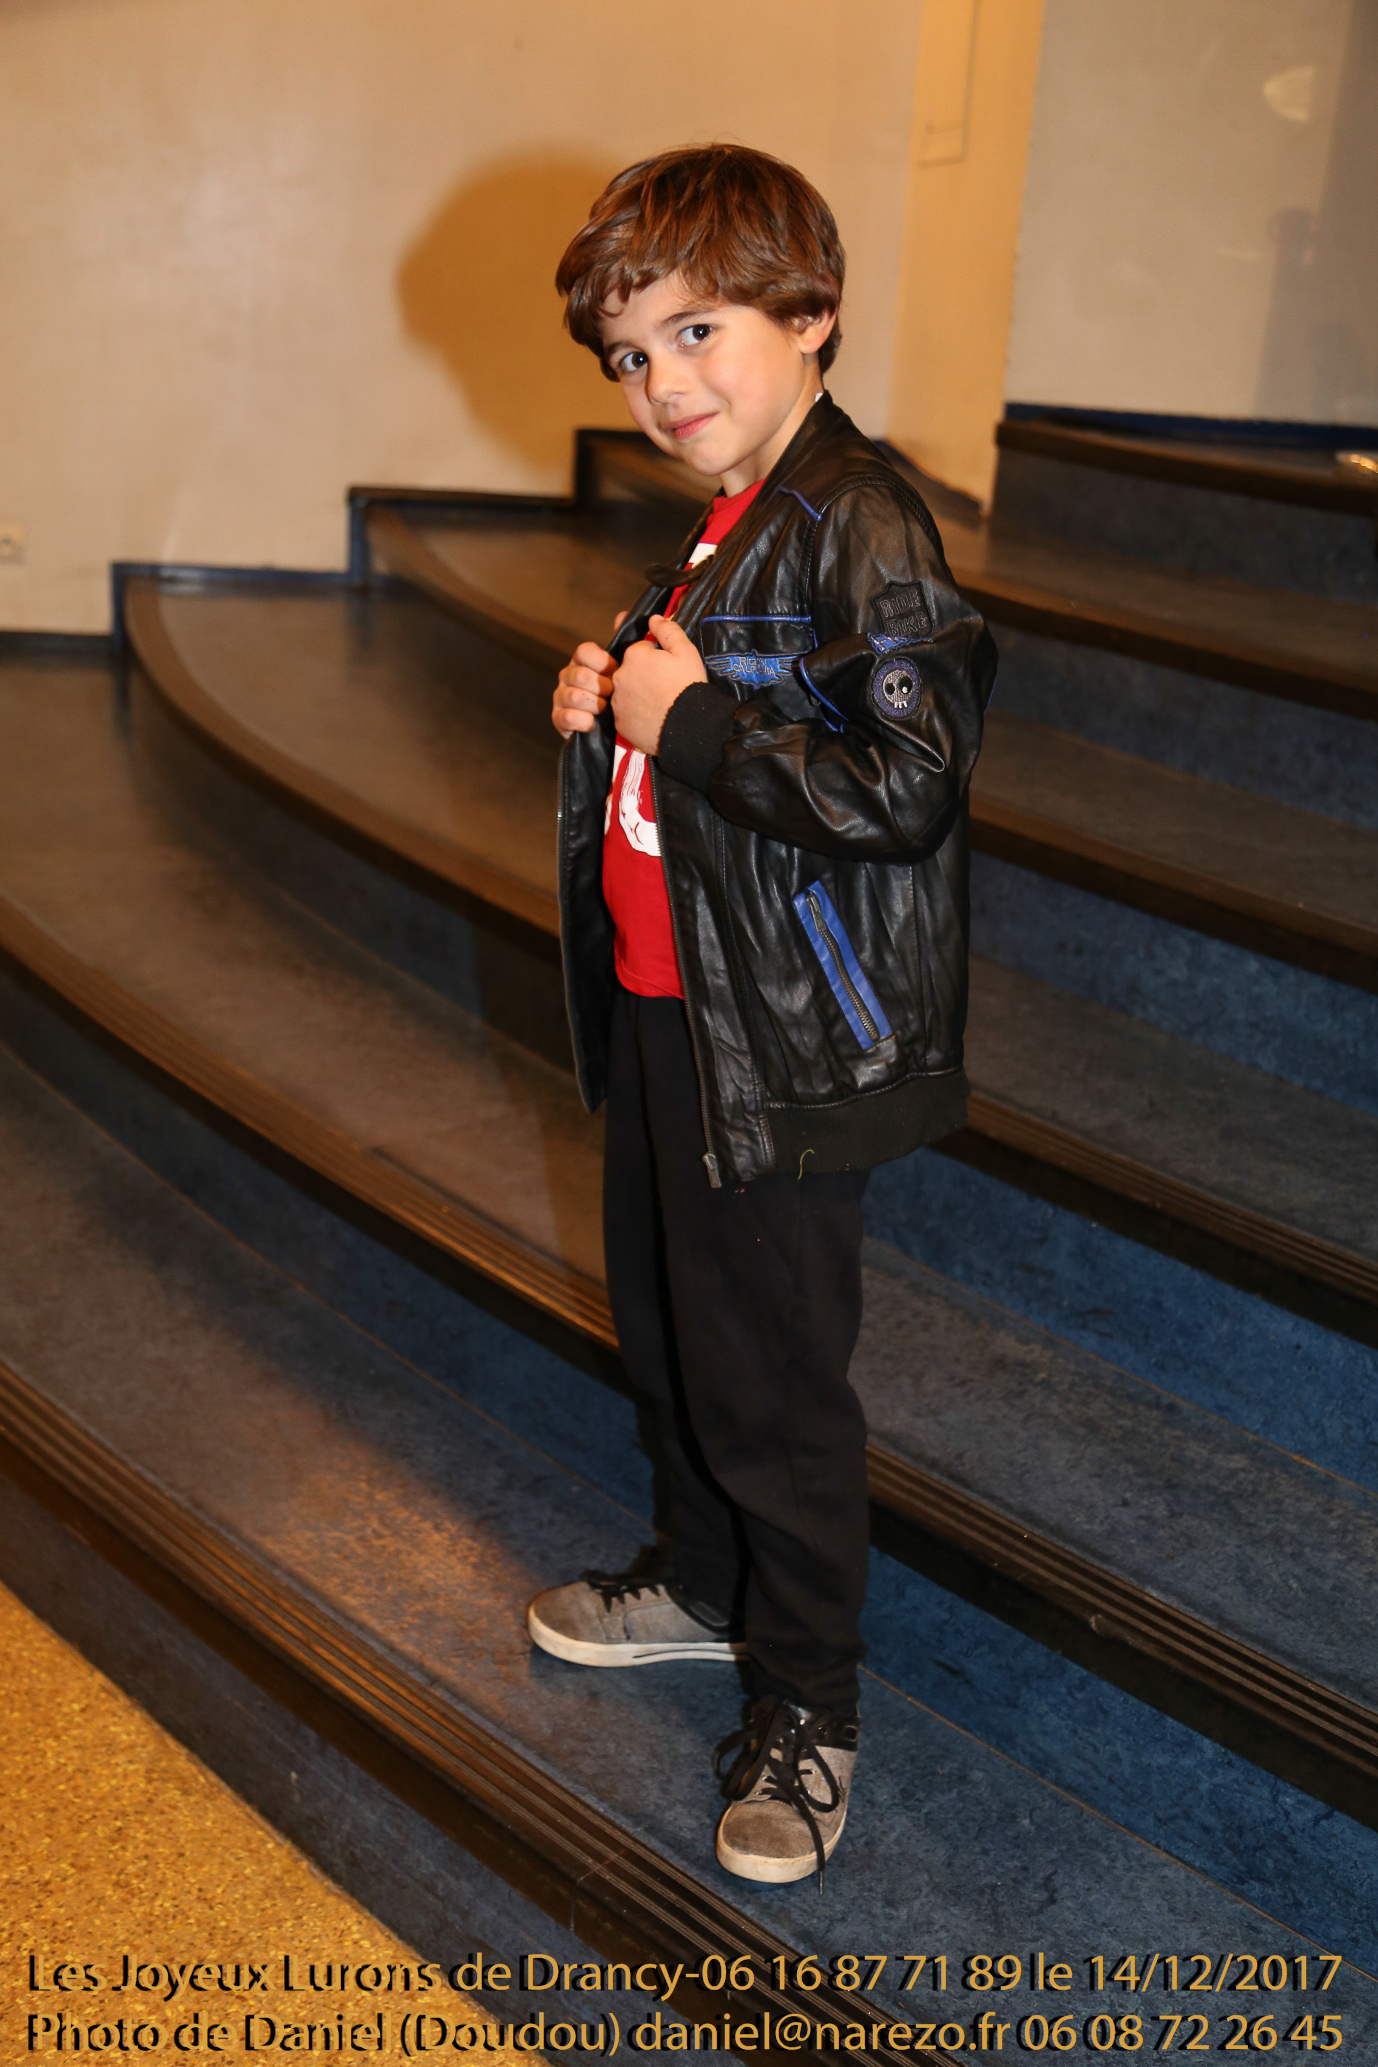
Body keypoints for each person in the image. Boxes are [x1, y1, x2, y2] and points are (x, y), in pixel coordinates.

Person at [528, 144, 996, 1887]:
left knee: (767, 1386)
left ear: (811, 316)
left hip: (785, 1039)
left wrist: (692, 727)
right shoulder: (733, 514)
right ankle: (702, 1579)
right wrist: (616, 700)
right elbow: (715, 703)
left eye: (695, 331)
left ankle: (808, 1704)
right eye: (628, 356)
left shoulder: (860, 517)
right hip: (681, 1006)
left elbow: (909, 781)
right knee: (669, 1333)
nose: (661, 384)